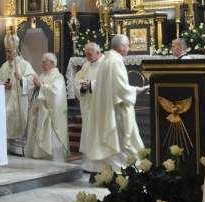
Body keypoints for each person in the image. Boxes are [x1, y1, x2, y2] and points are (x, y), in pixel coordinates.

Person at [80, 34, 148, 177]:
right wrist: (134, 89)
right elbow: (120, 89)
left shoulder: (107, 60)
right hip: (115, 109)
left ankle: (102, 171)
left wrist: (128, 89)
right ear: (121, 46)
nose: (129, 48)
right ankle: (120, 173)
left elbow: (112, 86)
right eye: (128, 45)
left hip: (107, 106)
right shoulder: (115, 61)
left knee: (110, 141)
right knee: (119, 141)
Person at [0, 32, 37, 155]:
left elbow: (33, 79)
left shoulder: (24, 64)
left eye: (10, 51)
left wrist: (21, 79)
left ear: (16, 51)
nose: (8, 54)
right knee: (6, 120)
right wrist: (3, 84)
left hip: (20, 99)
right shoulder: (4, 66)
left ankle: (18, 150)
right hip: (7, 98)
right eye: (6, 51)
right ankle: (7, 148)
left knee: (17, 121)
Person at [25, 52, 69, 161]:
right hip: (38, 111)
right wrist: (35, 87)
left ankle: (52, 157)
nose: (42, 64)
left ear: (53, 63)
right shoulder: (42, 75)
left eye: (44, 62)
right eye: (42, 62)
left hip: (49, 114)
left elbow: (55, 92)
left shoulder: (58, 77)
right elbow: (33, 89)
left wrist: (41, 86)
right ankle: (35, 153)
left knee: (50, 135)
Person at [72, 43, 104, 170]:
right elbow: (77, 80)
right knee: (89, 131)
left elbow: (107, 83)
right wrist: (82, 86)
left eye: (89, 54)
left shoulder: (106, 64)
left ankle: (99, 164)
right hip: (88, 105)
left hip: (100, 107)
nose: (87, 57)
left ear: (98, 52)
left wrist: (91, 85)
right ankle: (88, 163)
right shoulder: (86, 66)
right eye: (86, 54)